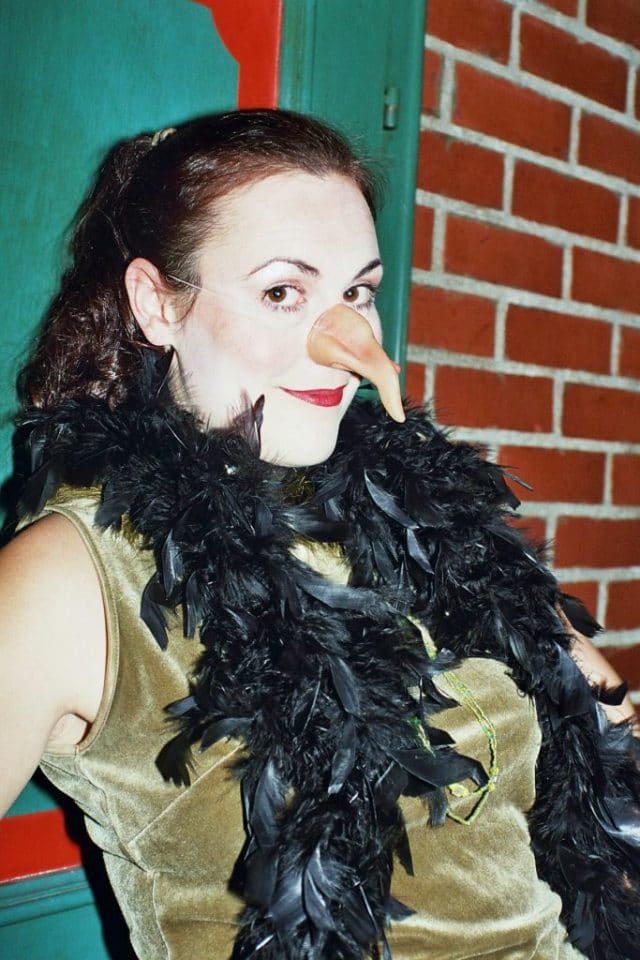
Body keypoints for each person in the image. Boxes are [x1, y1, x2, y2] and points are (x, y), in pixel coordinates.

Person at [1, 109, 639, 960]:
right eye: (281, 293)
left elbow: (606, 737)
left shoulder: (431, 521)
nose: (348, 346)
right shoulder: (70, 576)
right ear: (157, 304)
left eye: (357, 293)